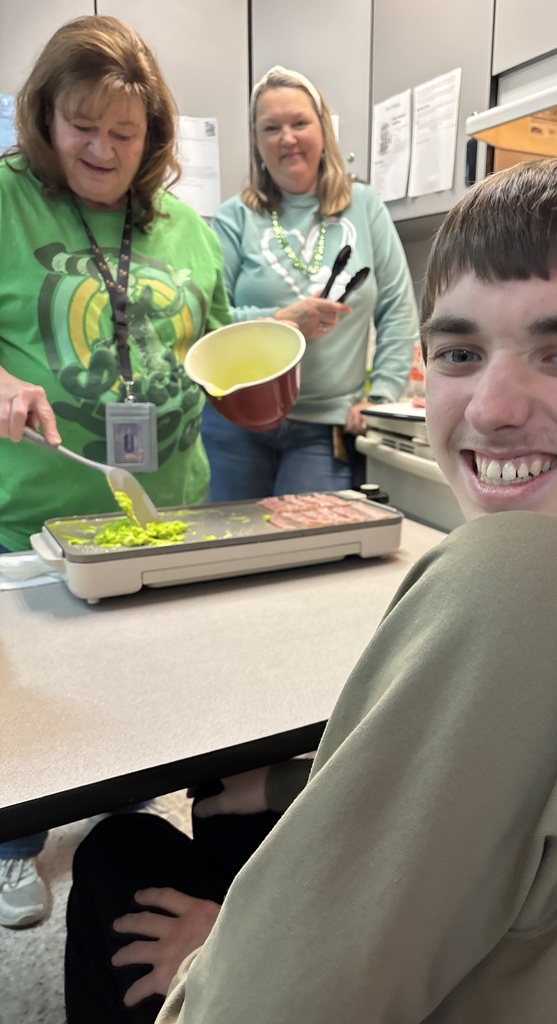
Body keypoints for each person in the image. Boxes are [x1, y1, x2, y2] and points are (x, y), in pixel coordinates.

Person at [65, 154, 557, 1024]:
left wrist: (222, 953)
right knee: (233, 808)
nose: (491, 407)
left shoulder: (518, 576)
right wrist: (287, 792)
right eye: (461, 352)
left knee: (116, 848)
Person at [0, 14, 230, 929]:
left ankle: (118, 819)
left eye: (124, 132)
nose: (101, 147)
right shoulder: (5, 197)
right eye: (82, 124)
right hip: (30, 513)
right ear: (46, 118)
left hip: (162, 512)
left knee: (135, 688)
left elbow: (215, 341)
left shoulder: (185, 227)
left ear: (154, 135)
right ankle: (13, 840)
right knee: (27, 704)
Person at [201, 65, 419, 501]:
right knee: (230, 552)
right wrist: (282, 318)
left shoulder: (365, 206)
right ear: (257, 142)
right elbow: (210, 319)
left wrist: (383, 396)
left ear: (323, 131)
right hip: (236, 424)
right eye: (271, 128)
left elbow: (397, 306)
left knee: (310, 555)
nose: (287, 138)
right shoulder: (234, 217)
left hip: (325, 428)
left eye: (300, 122)